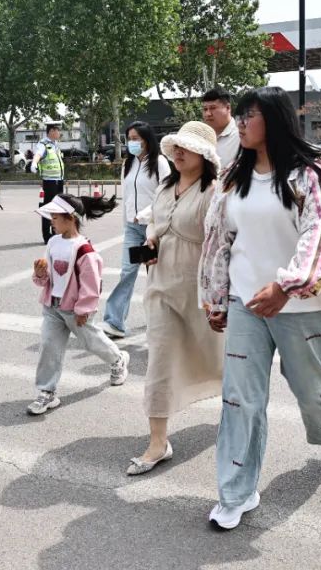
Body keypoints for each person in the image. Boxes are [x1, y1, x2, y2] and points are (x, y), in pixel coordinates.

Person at [199, 87, 321, 531]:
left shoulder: (309, 175)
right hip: (246, 304)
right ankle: (236, 492)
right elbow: (219, 241)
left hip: (301, 307)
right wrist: (217, 298)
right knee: (240, 400)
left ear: (274, 120)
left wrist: (287, 287)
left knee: (314, 389)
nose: (240, 123)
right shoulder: (234, 177)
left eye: (249, 115)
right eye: (240, 115)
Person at [125, 121, 223, 476]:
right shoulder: (166, 187)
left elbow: (223, 241)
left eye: (187, 147)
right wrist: (151, 241)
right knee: (160, 361)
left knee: (220, 359)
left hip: (201, 291)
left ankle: (239, 412)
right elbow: (155, 223)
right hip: (162, 286)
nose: (178, 152)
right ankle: (158, 442)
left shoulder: (215, 191)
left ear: (204, 155)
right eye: (176, 146)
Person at [27, 194, 130, 415]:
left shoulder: (84, 250)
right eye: (51, 217)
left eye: (55, 217)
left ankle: (118, 359)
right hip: (52, 307)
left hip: (75, 310)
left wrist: (84, 309)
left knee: (92, 342)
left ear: (71, 218)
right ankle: (47, 391)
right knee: (48, 346)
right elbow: (47, 277)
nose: (51, 222)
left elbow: (92, 284)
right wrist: (40, 274)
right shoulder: (53, 242)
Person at [96, 121, 170, 340]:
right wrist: (127, 222)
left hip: (152, 229)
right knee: (127, 272)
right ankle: (115, 322)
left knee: (155, 275)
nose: (132, 143)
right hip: (132, 228)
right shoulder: (127, 164)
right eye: (129, 139)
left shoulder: (159, 163)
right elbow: (127, 196)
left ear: (147, 140)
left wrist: (146, 215)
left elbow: (165, 196)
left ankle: (162, 322)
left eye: (136, 138)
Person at [31, 123, 66, 241]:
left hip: (59, 180)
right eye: (57, 130)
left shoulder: (55, 145)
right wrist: (34, 163)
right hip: (50, 182)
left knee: (58, 208)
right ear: (51, 131)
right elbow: (38, 154)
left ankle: (56, 233)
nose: (59, 133)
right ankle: (47, 235)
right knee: (48, 208)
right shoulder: (43, 144)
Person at [202, 87, 240, 169]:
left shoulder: (242, 135)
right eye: (205, 109)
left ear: (228, 108)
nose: (208, 114)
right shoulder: (200, 137)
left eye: (213, 108)